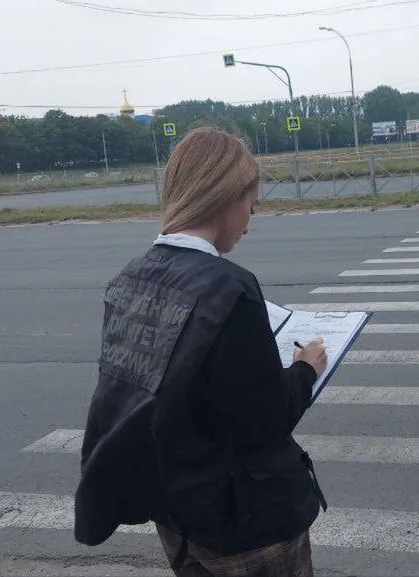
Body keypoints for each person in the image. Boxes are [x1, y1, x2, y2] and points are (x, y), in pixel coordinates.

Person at [73, 126, 330, 577]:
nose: (250, 220)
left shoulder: (131, 276)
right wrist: (305, 370)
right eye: (252, 204)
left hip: (176, 514)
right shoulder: (231, 288)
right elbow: (266, 421)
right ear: (227, 197)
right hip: (245, 524)